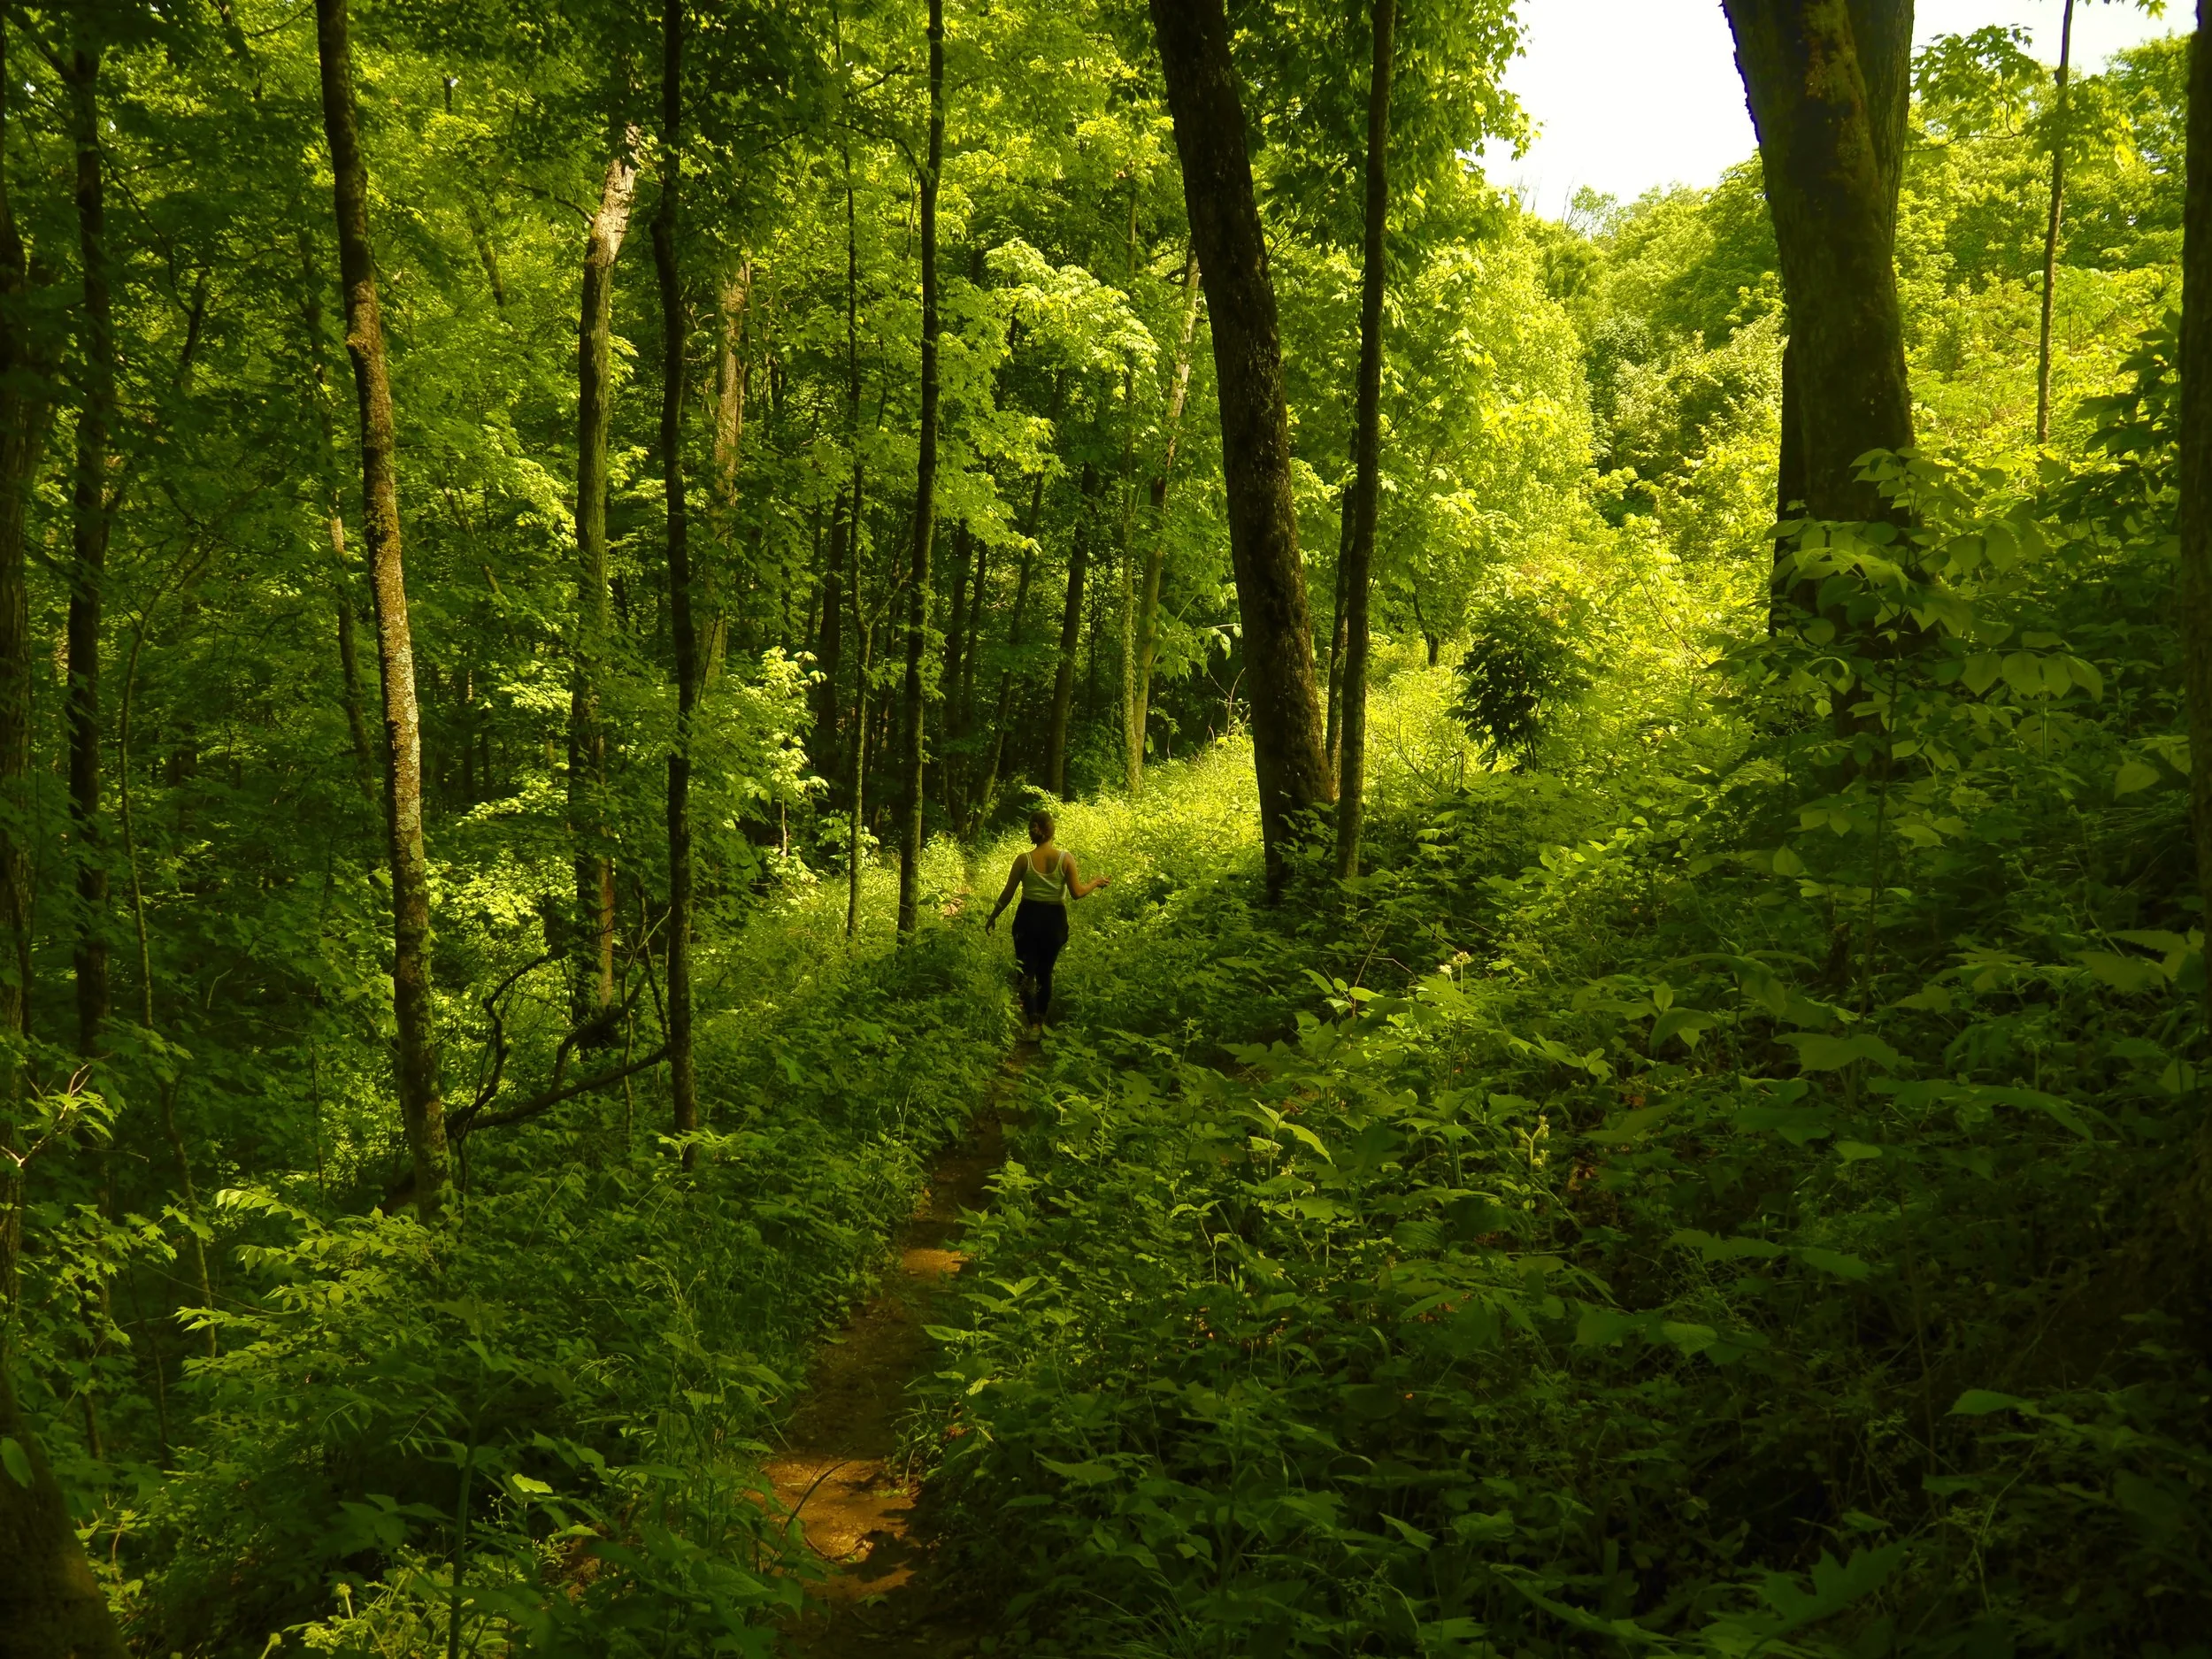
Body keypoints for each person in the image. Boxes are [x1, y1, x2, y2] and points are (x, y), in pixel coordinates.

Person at [986, 809, 1108, 1037]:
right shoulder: (1065, 859)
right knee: (1045, 972)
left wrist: (993, 916)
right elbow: (1077, 893)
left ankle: (1031, 1021)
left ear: (1033, 832)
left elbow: (1007, 894)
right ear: (1051, 831)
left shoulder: (1023, 860)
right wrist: (1095, 882)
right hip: (1054, 921)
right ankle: (1040, 1022)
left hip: (1027, 919)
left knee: (1025, 973)